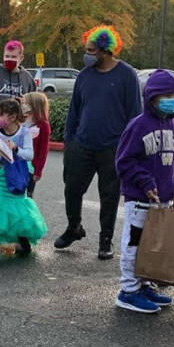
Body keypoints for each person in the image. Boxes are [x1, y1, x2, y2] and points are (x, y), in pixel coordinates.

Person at [55, 26, 141, 259]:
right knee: (72, 189)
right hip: (81, 145)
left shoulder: (127, 75)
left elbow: (135, 114)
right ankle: (74, 227)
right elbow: (74, 110)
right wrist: (69, 141)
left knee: (109, 196)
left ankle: (105, 240)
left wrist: (129, 148)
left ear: (106, 50)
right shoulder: (84, 75)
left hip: (113, 147)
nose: (87, 55)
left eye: (91, 51)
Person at [114, 70, 174, 313]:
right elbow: (124, 161)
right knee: (134, 245)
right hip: (140, 201)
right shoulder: (138, 126)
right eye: (165, 95)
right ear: (151, 97)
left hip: (164, 201)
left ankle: (144, 284)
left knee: (152, 246)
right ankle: (128, 290)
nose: (171, 100)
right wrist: (145, 182)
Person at [0, 98, 47, 258]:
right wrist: (1, 151)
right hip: (2, 178)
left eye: (1, 114)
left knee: (19, 208)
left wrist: (15, 149)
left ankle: (22, 239)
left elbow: (29, 154)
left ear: (13, 117)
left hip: (19, 177)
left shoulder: (25, 133)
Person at [22, 91, 50, 198]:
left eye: (25, 103)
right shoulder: (21, 120)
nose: (22, 106)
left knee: (27, 196)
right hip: (17, 163)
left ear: (34, 106)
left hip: (30, 167)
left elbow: (43, 151)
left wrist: (38, 171)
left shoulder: (43, 125)